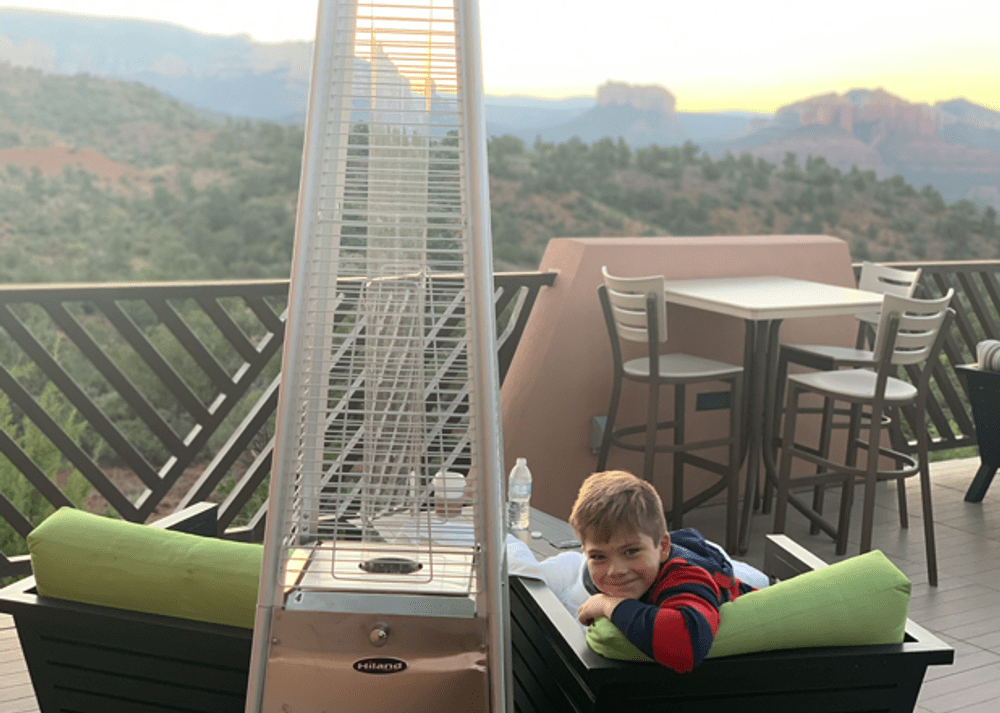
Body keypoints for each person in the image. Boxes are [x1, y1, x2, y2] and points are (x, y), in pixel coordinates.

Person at [569, 469, 755, 673]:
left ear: (663, 547)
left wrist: (609, 605)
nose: (616, 571)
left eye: (631, 551)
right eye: (598, 556)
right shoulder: (596, 573)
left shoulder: (686, 576)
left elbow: (687, 645)